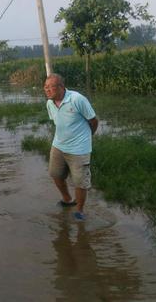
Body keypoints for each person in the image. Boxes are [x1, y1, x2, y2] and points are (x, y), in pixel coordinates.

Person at [44, 73, 98, 221]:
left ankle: (79, 210)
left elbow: (93, 121)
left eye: (51, 87)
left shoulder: (77, 99)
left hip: (79, 150)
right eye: (45, 87)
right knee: (55, 174)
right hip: (58, 146)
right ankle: (68, 199)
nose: (47, 90)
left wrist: (87, 137)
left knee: (80, 182)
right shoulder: (49, 103)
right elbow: (58, 122)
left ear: (61, 87)